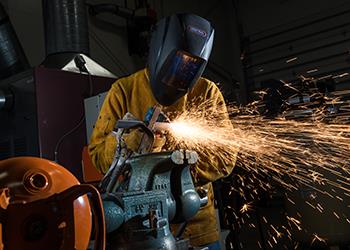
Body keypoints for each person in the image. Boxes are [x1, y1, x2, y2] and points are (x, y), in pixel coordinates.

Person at [88, 13, 237, 249]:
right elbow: (96, 154)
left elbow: (225, 157)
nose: (183, 74)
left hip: (194, 223)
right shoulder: (124, 90)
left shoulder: (207, 92)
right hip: (138, 231)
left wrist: (173, 174)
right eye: (179, 63)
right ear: (160, 53)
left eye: (192, 67)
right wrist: (128, 143)